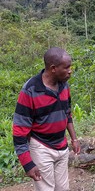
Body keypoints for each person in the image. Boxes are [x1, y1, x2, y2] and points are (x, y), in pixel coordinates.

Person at [13, 47, 81, 191]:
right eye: (67, 67)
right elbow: (19, 131)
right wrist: (28, 164)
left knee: (63, 188)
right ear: (53, 68)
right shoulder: (30, 90)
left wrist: (74, 139)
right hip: (41, 147)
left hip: (61, 147)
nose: (70, 71)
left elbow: (67, 113)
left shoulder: (64, 86)